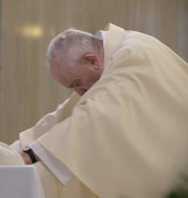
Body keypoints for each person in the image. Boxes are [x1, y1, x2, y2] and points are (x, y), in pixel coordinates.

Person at [11, 23, 188, 198]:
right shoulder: (115, 55)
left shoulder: (133, 54)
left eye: (77, 84)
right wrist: (9, 152)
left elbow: (99, 113)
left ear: (92, 61)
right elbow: (67, 113)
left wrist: (29, 156)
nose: (80, 93)